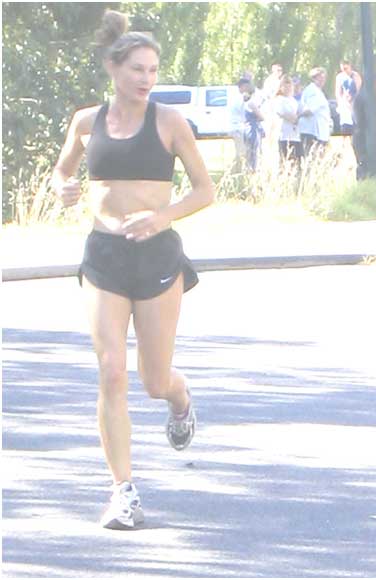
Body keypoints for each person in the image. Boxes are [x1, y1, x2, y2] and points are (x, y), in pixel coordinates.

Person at [51, 10, 215, 530]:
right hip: (104, 257)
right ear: (112, 68)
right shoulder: (85, 121)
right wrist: (62, 186)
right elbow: (63, 169)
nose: (146, 79)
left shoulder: (169, 123)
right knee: (111, 370)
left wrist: (163, 215)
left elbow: (204, 190)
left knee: (152, 379)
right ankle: (123, 491)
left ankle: (180, 397)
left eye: (153, 70)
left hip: (157, 257)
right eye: (137, 69)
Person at [298, 67, 331, 158]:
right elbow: (309, 110)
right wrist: (297, 117)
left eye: (324, 78)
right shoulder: (313, 91)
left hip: (319, 131)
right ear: (314, 78)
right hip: (313, 132)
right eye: (320, 78)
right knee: (312, 159)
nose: (322, 80)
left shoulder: (317, 91)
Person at [274, 75, 303, 167]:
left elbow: (299, 112)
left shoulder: (294, 101)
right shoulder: (279, 100)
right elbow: (286, 115)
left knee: (297, 163)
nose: (288, 88)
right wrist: (296, 118)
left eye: (290, 86)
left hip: (296, 135)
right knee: (285, 161)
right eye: (285, 86)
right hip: (284, 136)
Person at [335, 60, 362, 136]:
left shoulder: (355, 76)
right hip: (344, 104)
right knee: (345, 126)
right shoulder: (339, 77)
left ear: (350, 66)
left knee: (355, 124)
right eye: (343, 69)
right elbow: (338, 92)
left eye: (346, 68)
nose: (344, 70)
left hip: (354, 103)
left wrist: (352, 100)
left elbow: (358, 90)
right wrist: (341, 102)